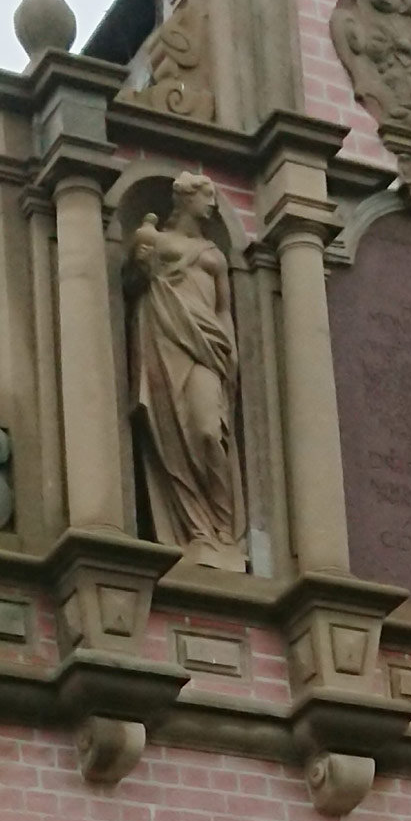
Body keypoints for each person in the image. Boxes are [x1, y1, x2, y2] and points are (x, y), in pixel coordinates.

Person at [128, 173, 244, 570]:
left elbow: (224, 308)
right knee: (172, 433)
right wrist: (141, 267)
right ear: (185, 199)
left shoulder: (214, 252)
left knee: (209, 431)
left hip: (209, 348)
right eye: (206, 196)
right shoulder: (153, 239)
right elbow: (132, 283)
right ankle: (196, 530)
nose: (212, 204)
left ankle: (224, 527)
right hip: (166, 339)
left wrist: (231, 352)